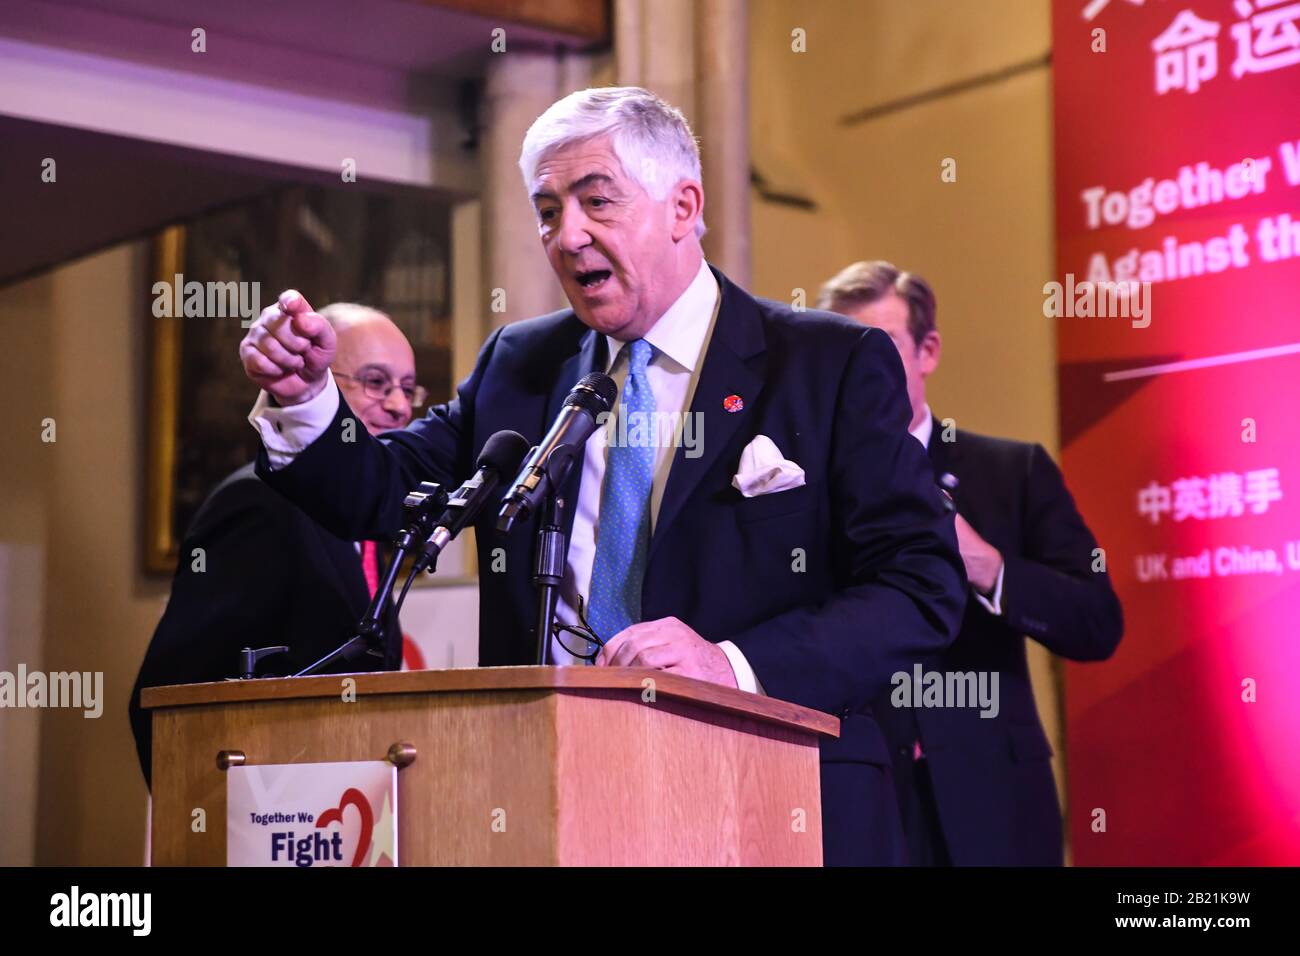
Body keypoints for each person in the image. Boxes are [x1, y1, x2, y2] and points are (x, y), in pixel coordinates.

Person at [238, 88, 966, 865]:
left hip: (769, 803)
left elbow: (920, 585)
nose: (566, 234)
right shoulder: (520, 364)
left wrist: (732, 665)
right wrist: (306, 399)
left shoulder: (827, 366)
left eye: (596, 201)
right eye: (547, 210)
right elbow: (384, 492)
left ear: (683, 206)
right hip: (545, 807)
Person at [817, 260, 1123, 865]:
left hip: (996, 798)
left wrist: (988, 566)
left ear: (927, 351)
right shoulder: (804, 485)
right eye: (840, 354)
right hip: (858, 797)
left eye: (877, 350)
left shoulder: (1012, 472)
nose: (855, 374)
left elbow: (1096, 622)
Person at [128, 304, 425, 788]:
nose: (400, 406)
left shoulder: (374, 530)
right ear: (317, 381)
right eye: (376, 382)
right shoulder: (257, 503)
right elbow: (169, 697)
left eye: (408, 388)